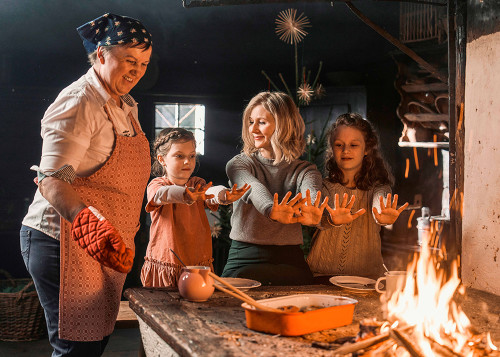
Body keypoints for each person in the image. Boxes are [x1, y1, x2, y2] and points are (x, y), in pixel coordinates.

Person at [20, 13, 153, 356]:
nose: (137, 70)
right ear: (101, 54)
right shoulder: (81, 101)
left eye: (143, 63)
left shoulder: (125, 105)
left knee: (93, 343)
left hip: (100, 245)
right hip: (62, 240)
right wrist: (87, 222)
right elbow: (55, 178)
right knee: (76, 348)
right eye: (129, 60)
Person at [221, 91, 329, 286]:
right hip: (244, 257)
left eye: (261, 122)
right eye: (251, 121)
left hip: (290, 259)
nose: (253, 129)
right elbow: (252, 187)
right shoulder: (238, 164)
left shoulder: (305, 170)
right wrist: (271, 209)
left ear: (283, 126)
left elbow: (311, 193)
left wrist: (314, 210)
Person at [141, 128, 250, 288]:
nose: (187, 161)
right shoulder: (158, 184)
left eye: (191, 156)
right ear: (162, 159)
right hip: (167, 264)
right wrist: (186, 194)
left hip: (197, 266)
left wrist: (224, 194)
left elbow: (210, 191)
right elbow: (162, 195)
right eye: (179, 156)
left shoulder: (197, 184)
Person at [306, 113, 409, 280]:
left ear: (367, 149)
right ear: (332, 149)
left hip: (367, 279)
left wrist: (382, 216)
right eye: (339, 145)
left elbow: (380, 202)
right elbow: (318, 219)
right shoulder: (324, 186)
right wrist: (332, 220)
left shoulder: (379, 187)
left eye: (354, 145)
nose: (346, 150)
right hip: (322, 276)